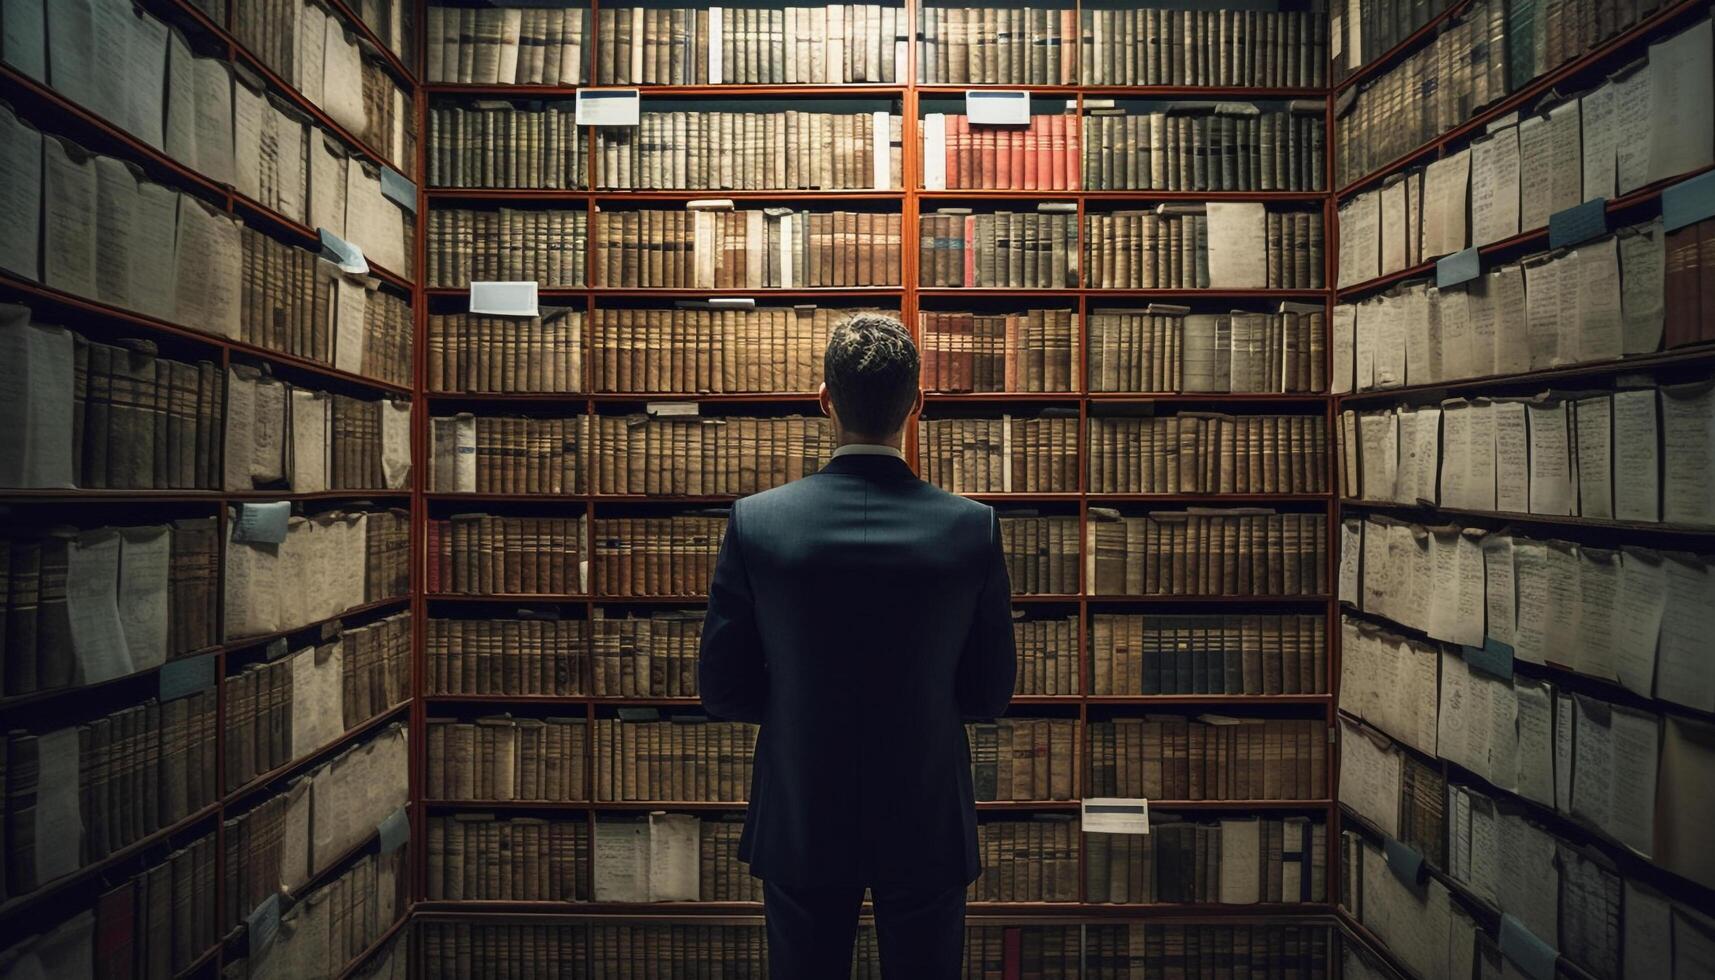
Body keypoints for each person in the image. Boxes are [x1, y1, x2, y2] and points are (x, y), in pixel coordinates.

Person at [698, 312, 1018, 978]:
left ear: (824, 400)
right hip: (925, 815)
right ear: (917, 405)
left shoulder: (757, 523)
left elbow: (722, 689)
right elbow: (989, 695)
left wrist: (798, 701)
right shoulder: (972, 530)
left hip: (802, 810)